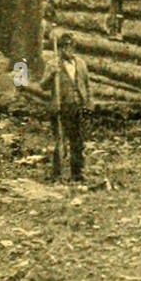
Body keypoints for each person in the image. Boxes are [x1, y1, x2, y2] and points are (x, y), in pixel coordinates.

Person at [39, 33, 91, 182]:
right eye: (65, 46)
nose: (68, 49)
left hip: (78, 106)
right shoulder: (53, 64)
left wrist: (89, 103)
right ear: (60, 48)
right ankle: (57, 173)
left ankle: (77, 173)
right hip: (61, 107)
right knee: (60, 141)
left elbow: (86, 85)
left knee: (78, 141)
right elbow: (43, 86)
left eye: (71, 45)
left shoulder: (80, 64)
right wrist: (51, 75)